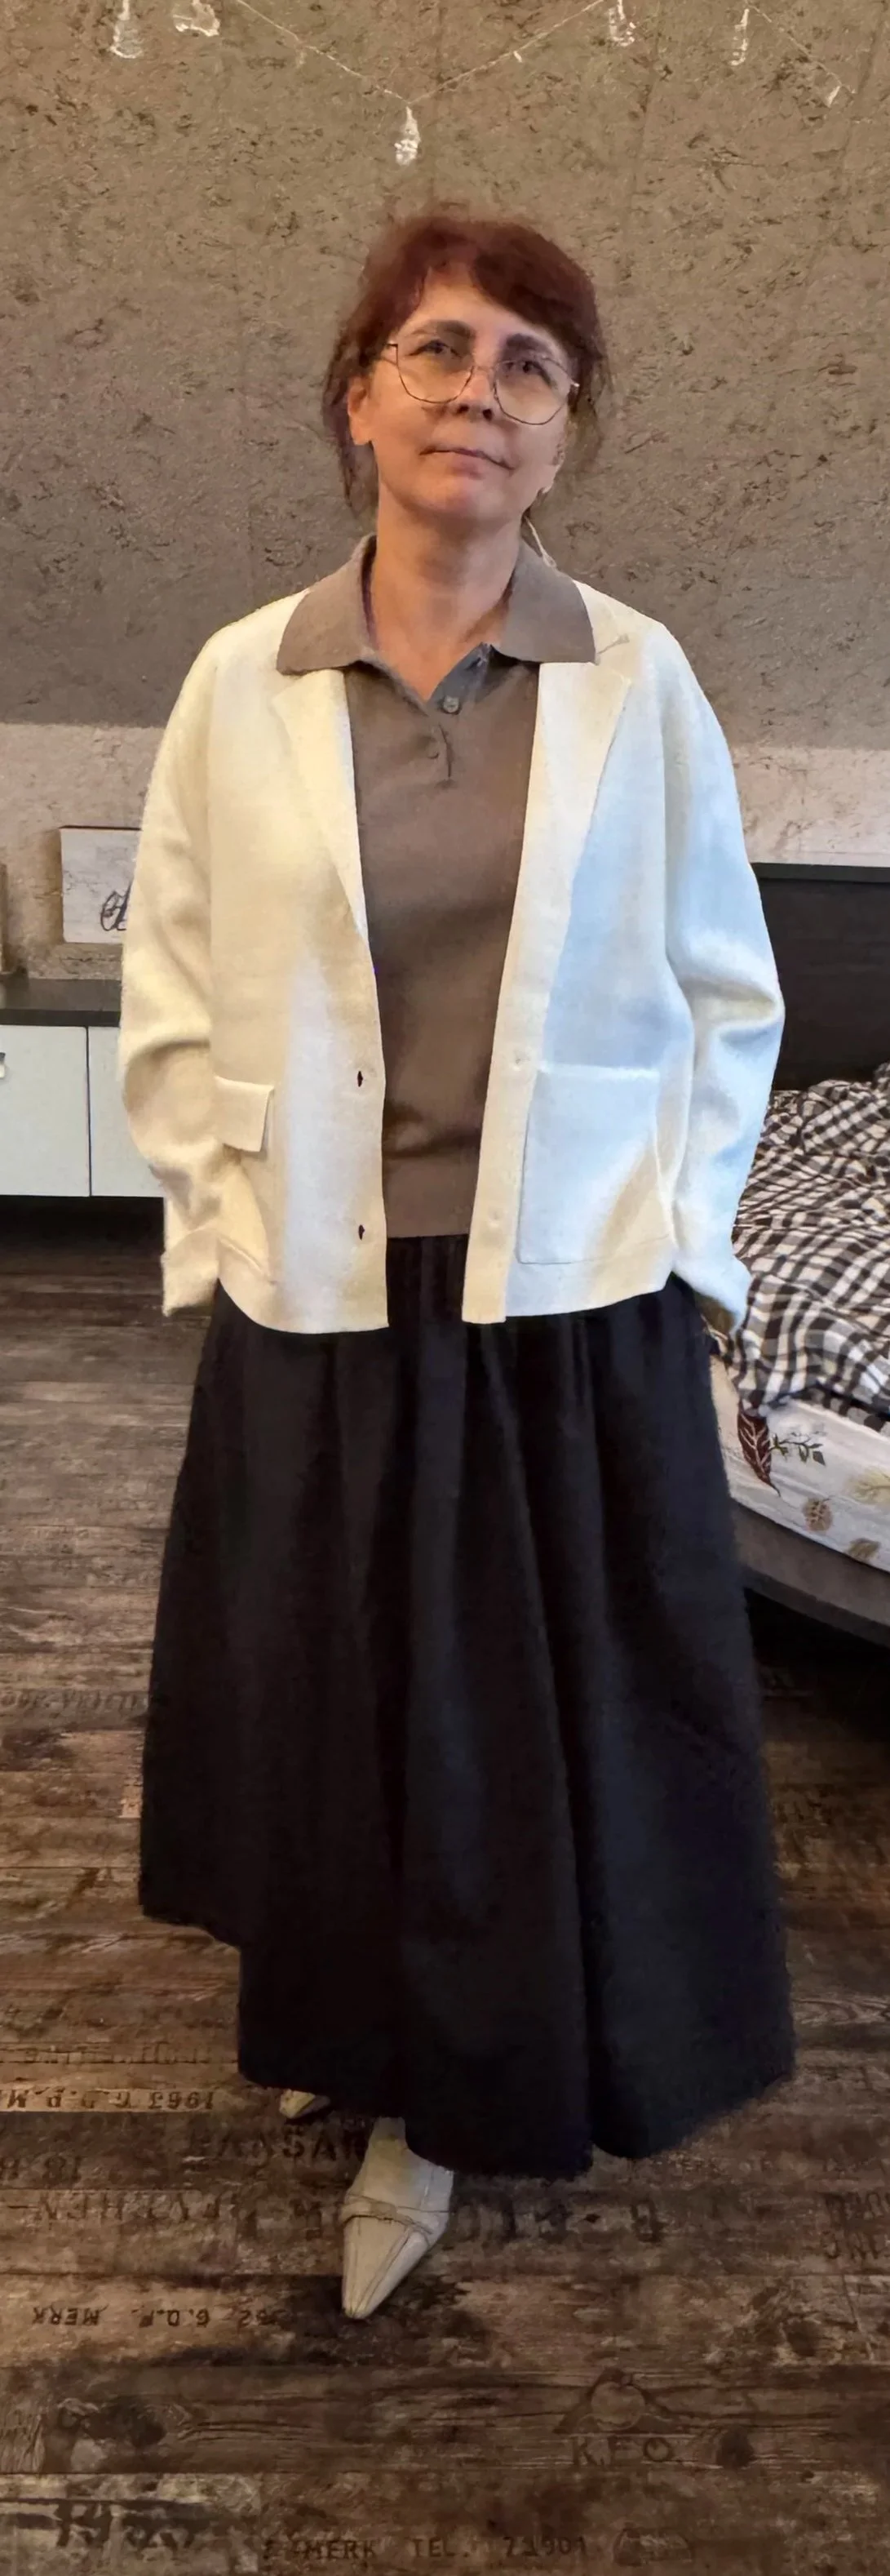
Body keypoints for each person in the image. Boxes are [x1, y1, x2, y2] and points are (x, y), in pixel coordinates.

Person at [119, 207, 795, 2322]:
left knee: (515, 1724)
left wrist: (685, 1254)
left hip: (559, 1300)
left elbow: (728, 996)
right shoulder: (242, 678)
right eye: (438, 349)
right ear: (360, 399)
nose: (478, 393)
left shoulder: (636, 682)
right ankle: (349, 2020)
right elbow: (175, 976)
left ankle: (457, 2088)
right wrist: (219, 1218)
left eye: (529, 364)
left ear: (563, 431)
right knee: (327, 1699)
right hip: (322, 1293)